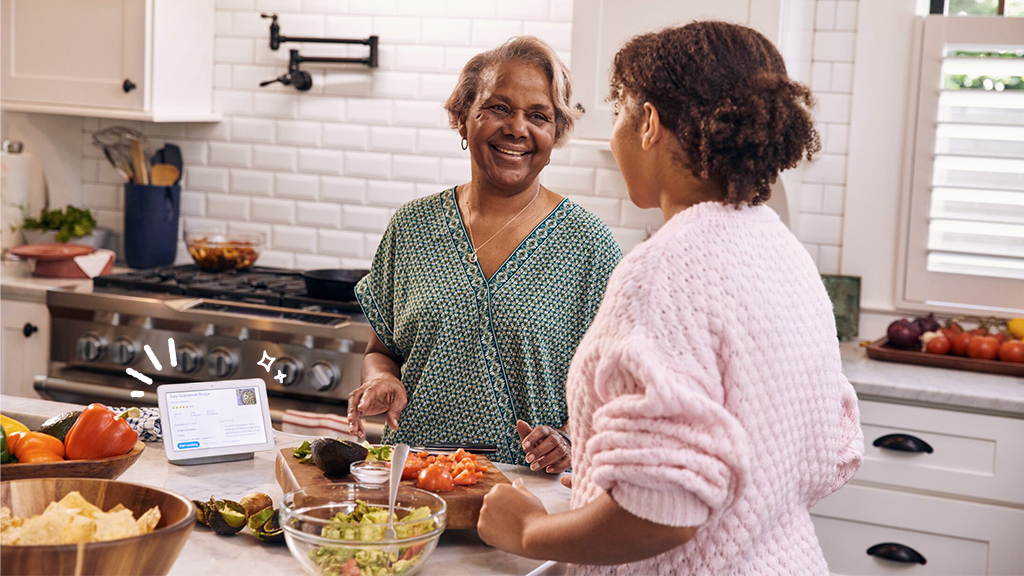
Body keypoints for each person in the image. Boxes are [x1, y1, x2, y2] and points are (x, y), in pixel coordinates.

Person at [476, 21, 864, 574]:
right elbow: (834, 453)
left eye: (618, 112)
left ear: (649, 122)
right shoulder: (786, 255)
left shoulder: (664, 272)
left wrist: (532, 530)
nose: (615, 132)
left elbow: (661, 508)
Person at [348, 36, 622, 469]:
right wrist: (382, 378)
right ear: (463, 117)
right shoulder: (412, 227)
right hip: (417, 482)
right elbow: (380, 352)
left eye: (538, 116)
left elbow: (615, 389)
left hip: (532, 497)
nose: (517, 128)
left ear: (556, 133)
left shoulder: (589, 244)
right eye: (499, 107)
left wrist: (570, 437)